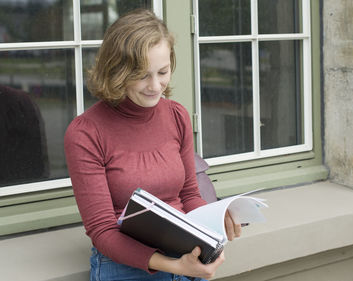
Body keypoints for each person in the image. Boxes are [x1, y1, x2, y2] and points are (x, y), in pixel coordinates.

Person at [64, 9, 241, 281]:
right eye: (142, 75)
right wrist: (175, 267)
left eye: (163, 72)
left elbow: (189, 195)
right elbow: (102, 231)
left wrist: (214, 221)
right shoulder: (86, 133)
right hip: (125, 269)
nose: (155, 86)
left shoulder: (176, 116)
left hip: (186, 259)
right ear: (117, 71)